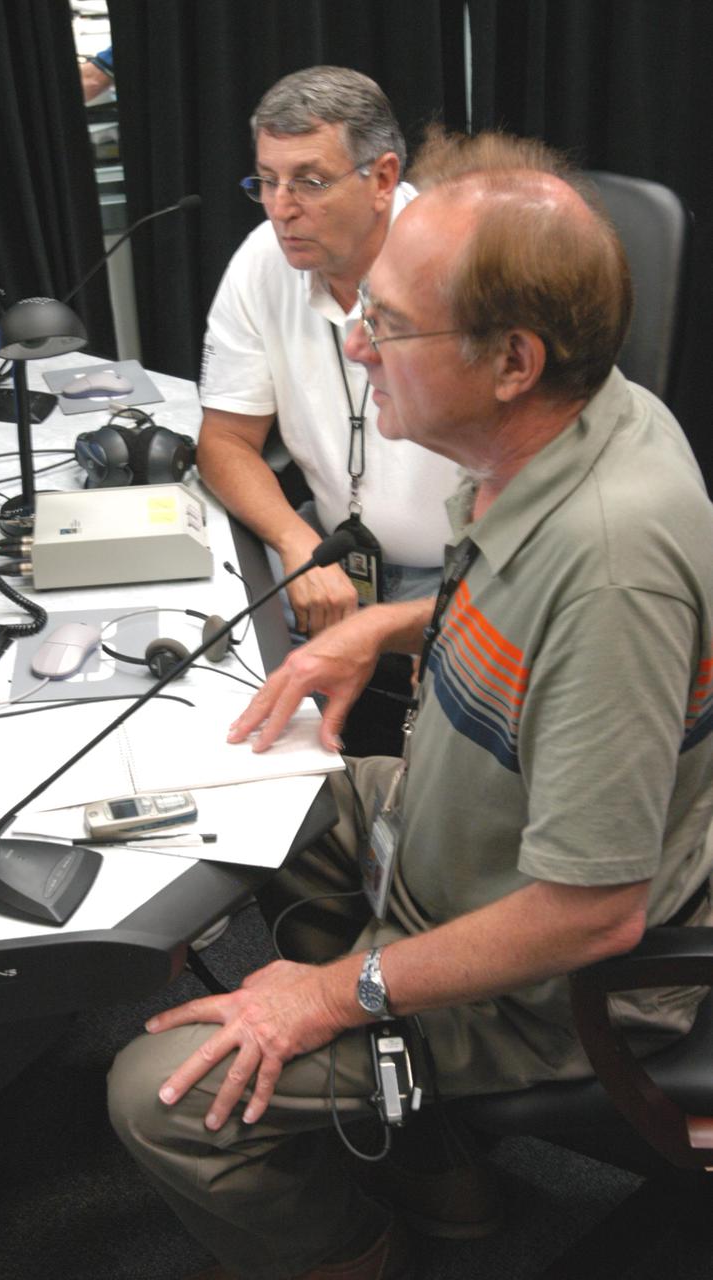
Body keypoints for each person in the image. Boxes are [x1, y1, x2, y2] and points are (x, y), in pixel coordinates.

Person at [108, 130, 713, 1280]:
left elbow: (589, 914)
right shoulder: (573, 430)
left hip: (553, 980)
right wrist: (392, 624)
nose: (355, 342)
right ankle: (440, 1166)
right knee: (255, 786)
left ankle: (363, 1249)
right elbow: (530, 626)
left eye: (385, 323)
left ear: (512, 359)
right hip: (451, 827)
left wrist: (334, 993)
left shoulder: (609, 559)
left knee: (159, 1098)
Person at [196, 66, 458, 641]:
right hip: (328, 550)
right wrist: (294, 540)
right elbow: (224, 441)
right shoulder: (263, 258)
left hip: (464, 575)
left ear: (383, 178)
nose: (280, 209)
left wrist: (443, 621)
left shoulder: (459, 260)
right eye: (267, 181)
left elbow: (532, 489)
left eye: (309, 182)